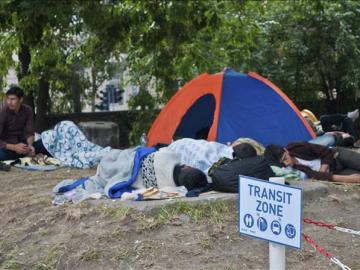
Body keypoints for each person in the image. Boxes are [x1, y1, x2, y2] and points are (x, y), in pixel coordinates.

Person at [264, 141, 360, 183]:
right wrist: (348, 179)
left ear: (286, 150)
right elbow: (313, 175)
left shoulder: (297, 146)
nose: (286, 163)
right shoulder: (291, 170)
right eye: (282, 163)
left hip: (338, 156)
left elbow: (326, 152)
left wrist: (321, 174)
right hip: (335, 171)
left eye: (285, 158)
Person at [0, 86, 51, 161]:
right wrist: (14, 147)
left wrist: (30, 146)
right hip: (7, 147)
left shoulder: (27, 110)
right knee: (1, 155)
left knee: (47, 143)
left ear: (21, 99)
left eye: (13, 99)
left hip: (23, 145)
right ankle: (24, 155)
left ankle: (26, 153)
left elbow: (30, 133)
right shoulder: (3, 112)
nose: (9, 102)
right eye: (8, 99)